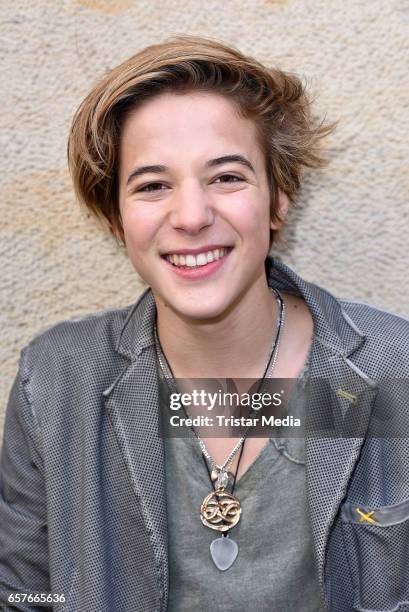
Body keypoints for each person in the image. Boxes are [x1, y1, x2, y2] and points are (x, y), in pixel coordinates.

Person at [1, 34, 408, 612]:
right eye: (152, 185)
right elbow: (25, 595)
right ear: (117, 219)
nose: (191, 216)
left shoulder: (396, 372)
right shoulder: (57, 383)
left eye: (226, 177)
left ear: (279, 198)